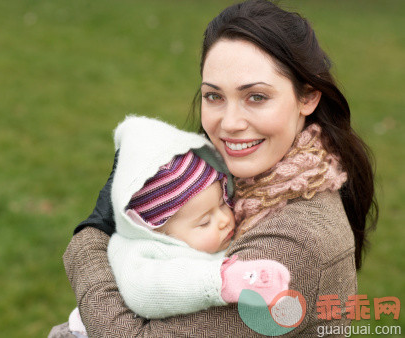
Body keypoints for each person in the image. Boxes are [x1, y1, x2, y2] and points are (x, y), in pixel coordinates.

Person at [59, 0, 378, 336]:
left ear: (308, 98)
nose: (229, 123)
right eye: (214, 96)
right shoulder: (237, 182)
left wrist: (91, 239)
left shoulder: (291, 244)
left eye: (256, 96)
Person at [65, 116, 290, 338]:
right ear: (156, 230)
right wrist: (221, 280)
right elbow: (146, 289)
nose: (224, 220)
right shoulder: (137, 250)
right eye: (204, 222)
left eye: (222, 203)